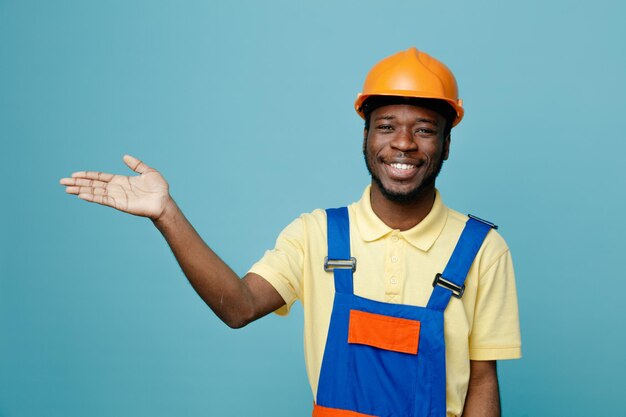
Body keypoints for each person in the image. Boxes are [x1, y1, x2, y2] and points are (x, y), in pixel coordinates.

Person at [60, 47, 521, 417]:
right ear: (365, 137)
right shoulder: (316, 235)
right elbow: (238, 307)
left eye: (424, 129)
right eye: (386, 126)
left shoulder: (481, 249)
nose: (403, 143)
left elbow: (482, 381)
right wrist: (166, 213)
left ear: (446, 144)